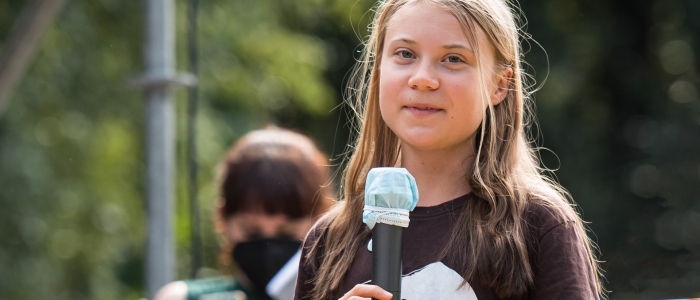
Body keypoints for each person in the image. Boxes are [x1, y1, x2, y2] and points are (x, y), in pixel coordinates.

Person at [294, 0, 604, 299]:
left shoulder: (538, 226)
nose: (423, 79)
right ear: (378, 71)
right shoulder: (329, 240)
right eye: (405, 54)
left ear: (498, 84)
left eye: (453, 59)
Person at [155, 127, 333, 300]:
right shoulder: (184, 297)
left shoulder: (344, 293)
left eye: (287, 233)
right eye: (251, 233)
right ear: (223, 219)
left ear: (321, 219)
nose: (269, 248)